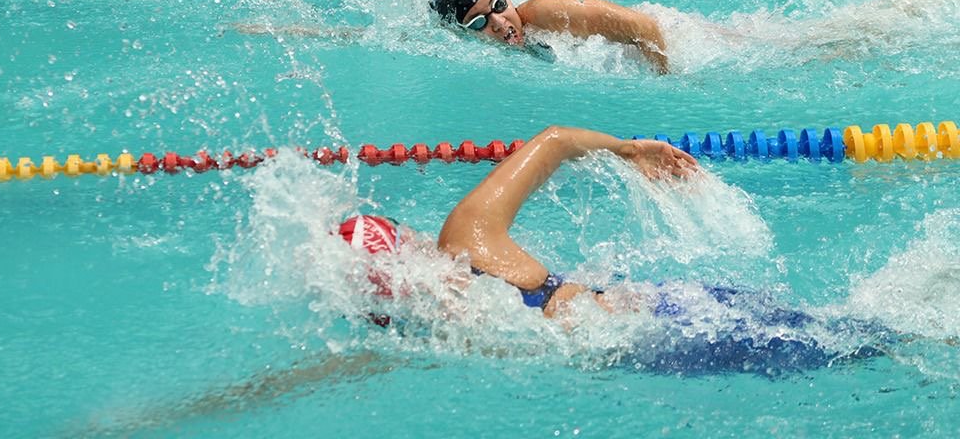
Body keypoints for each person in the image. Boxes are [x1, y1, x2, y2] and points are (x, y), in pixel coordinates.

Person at [336, 126, 890, 374]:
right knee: (866, 337)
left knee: (871, 338)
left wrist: (629, 152)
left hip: (672, 324)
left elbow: (552, 140)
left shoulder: (464, 250)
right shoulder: (448, 291)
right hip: (665, 327)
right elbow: (552, 140)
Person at [430, 0, 671, 73]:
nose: (500, 23)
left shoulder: (547, 12)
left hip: (671, 38)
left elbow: (644, 27)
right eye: (478, 23)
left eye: (499, 5)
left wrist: (666, 78)